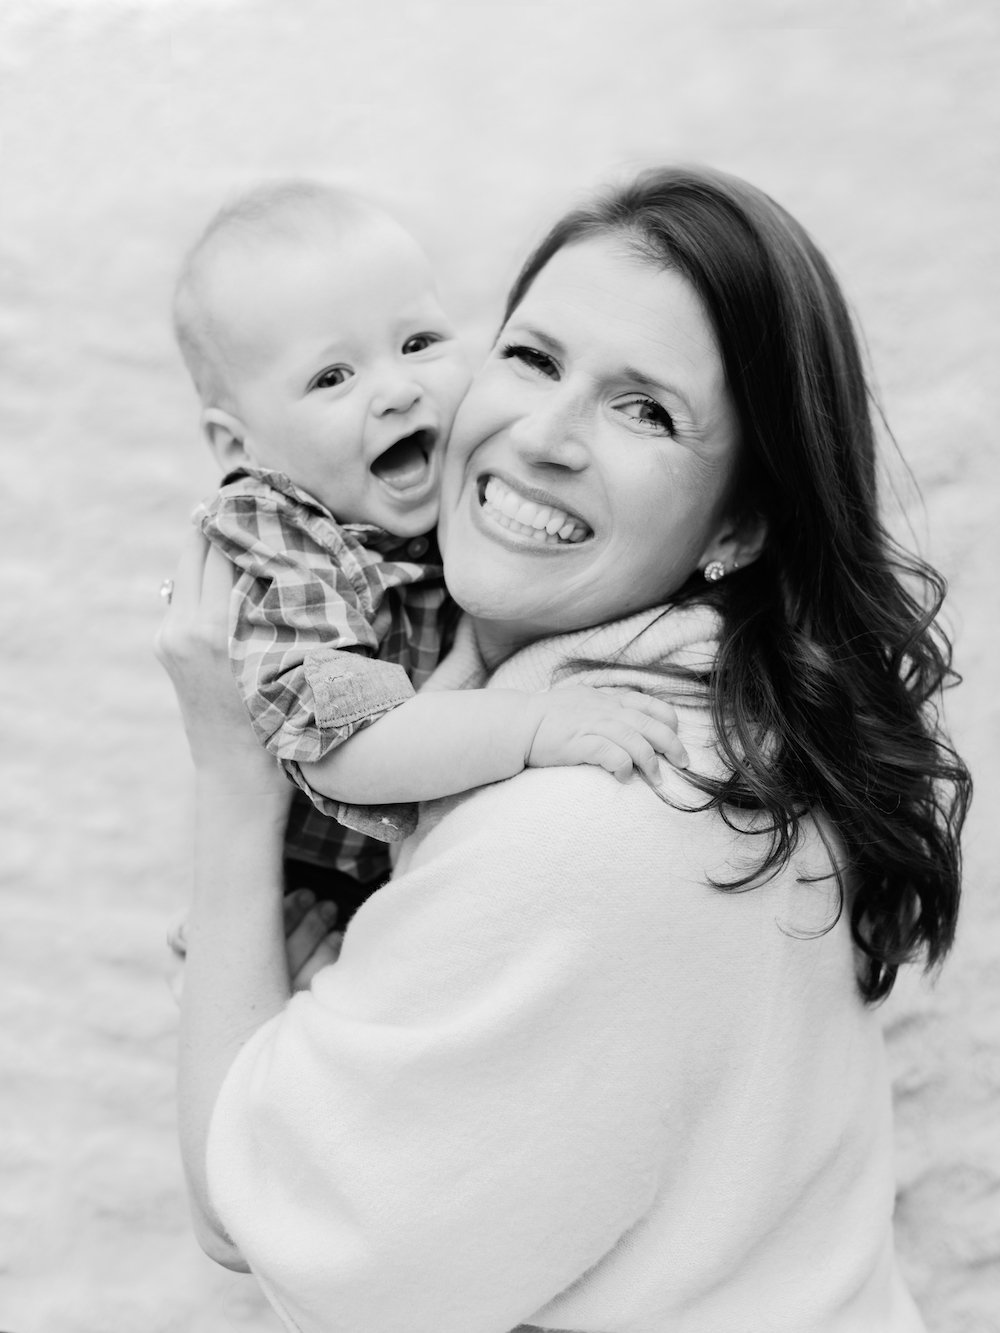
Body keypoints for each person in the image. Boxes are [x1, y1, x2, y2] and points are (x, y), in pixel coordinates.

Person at [156, 165, 971, 1332]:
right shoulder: (711, 710)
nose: (541, 437)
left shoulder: (589, 813)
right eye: (534, 359)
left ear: (742, 521)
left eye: (645, 410)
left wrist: (237, 780)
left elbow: (255, 1215)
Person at [172, 180, 687, 918]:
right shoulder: (280, 540)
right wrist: (534, 724)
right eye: (332, 377)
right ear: (238, 446)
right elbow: (347, 746)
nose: (397, 390)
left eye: (418, 344)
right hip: (313, 890)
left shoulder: (454, 482)